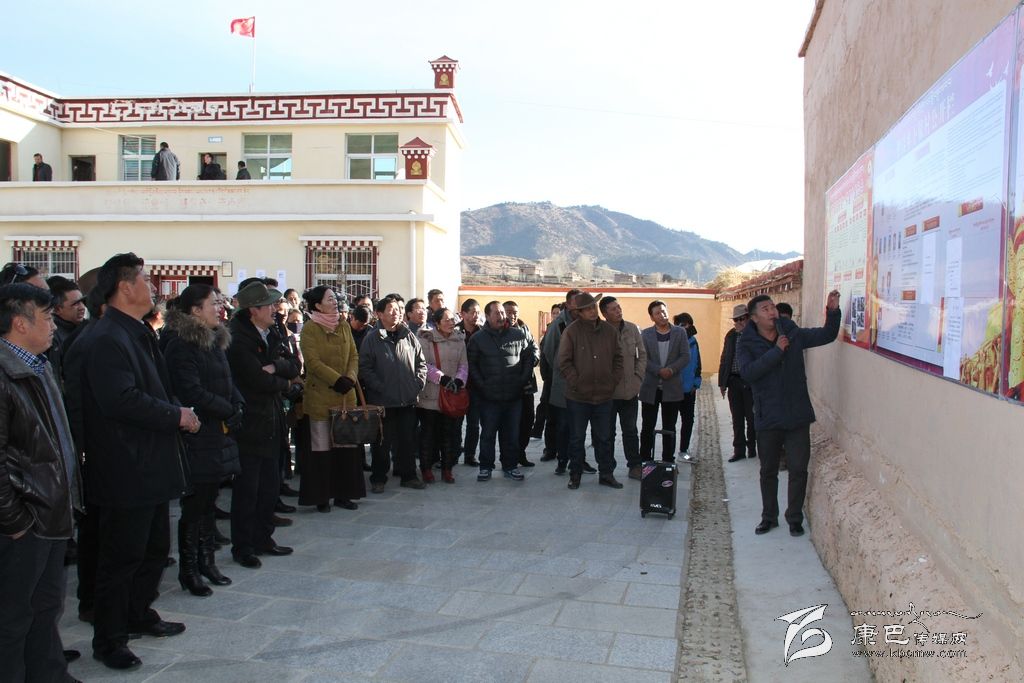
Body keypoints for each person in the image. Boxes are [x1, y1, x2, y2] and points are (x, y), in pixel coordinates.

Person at [82, 253, 194, 670]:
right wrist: (175, 415)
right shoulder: (106, 337)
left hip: (151, 462)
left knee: (153, 548)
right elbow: (121, 400)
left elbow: (156, 388)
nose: (153, 287)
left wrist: (176, 408)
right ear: (125, 287)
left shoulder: (136, 331)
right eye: (146, 279)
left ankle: (138, 612)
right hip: (125, 466)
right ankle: (110, 639)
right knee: (121, 557)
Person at [0, 283, 82, 682]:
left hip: (51, 510)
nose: (53, 325)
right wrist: (15, 520)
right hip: (26, 518)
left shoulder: (38, 365)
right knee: (13, 617)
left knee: (46, 605)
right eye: (47, 317)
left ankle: (49, 674)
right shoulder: (5, 373)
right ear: (20, 323)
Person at [738, 291, 841, 537]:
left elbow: (827, 335)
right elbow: (748, 373)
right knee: (768, 471)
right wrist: (776, 351)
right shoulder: (746, 342)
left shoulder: (792, 333)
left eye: (772, 307)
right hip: (768, 416)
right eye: (765, 309)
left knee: (798, 469)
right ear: (754, 318)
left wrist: (833, 311)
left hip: (797, 415)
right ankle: (769, 517)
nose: (772, 311)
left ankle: (794, 517)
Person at [161, 285, 242, 596]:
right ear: (195, 310)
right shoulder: (181, 345)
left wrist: (237, 403)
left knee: (209, 501)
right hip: (197, 434)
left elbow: (227, 380)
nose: (220, 308)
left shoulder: (215, 339)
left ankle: (207, 562)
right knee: (195, 505)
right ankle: (189, 569)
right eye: (213, 303)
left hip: (216, 432)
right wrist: (225, 409)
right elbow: (190, 390)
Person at [226, 281, 302, 567]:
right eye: (269, 305)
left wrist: (277, 369)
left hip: (272, 418)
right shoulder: (237, 339)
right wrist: (285, 383)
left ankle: (263, 537)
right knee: (248, 489)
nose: (275, 309)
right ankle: (243, 546)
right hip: (250, 421)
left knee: (269, 485)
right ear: (253, 310)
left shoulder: (273, 331)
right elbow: (256, 379)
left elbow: (294, 365)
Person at [297, 286, 365, 512]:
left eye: (335, 298)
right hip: (320, 397)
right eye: (329, 299)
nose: (335, 301)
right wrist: (336, 380)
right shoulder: (310, 328)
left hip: (346, 396)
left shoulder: (343, 324)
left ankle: (344, 495)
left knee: (346, 449)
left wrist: (350, 378)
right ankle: (322, 497)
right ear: (317, 305)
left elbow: (354, 355)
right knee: (321, 450)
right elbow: (312, 362)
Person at [359, 295, 427, 492]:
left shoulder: (408, 335)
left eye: (397, 309)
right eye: (390, 309)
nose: (395, 312)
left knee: (407, 440)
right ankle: (378, 478)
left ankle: (409, 476)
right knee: (381, 442)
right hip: (383, 401)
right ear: (379, 314)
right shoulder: (372, 338)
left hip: (407, 399)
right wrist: (380, 387)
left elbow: (421, 363)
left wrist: (417, 384)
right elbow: (365, 368)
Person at [557, 292, 623, 490]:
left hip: (604, 395)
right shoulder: (571, 332)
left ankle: (606, 474)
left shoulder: (609, 331)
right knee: (577, 438)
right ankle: (575, 475)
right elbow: (564, 361)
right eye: (587, 309)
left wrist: (613, 381)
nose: (592, 311)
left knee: (604, 437)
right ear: (579, 312)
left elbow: (619, 358)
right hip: (578, 397)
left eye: (593, 307)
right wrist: (576, 381)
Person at [467, 300, 537, 483]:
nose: (501, 316)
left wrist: (522, 379)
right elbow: (472, 365)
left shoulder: (518, 334)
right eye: (497, 313)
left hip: (514, 396)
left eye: (502, 313)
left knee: (511, 434)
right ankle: (485, 466)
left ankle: (510, 466)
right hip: (488, 397)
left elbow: (528, 358)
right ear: (487, 316)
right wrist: (482, 385)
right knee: (488, 434)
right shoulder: (478, 339)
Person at [417, 307, 468, 483]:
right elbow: (423, 364)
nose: (450, 323)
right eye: (446, 320)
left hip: (451, 394)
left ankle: (447, 469)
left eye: (452, 319)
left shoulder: (459, 339)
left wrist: (459, 381)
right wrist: (442, 378)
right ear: (437, 323)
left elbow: (463, 365)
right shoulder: (426, 338)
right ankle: (426, 468)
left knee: (449, 435)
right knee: (428, 435)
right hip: (430, 395)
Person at [599, 296, 647, 479]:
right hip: (608, 393)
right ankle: (607, 468)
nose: (618, 311)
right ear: (604, 314)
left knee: (631, 431)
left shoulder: (632, 329)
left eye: (618, 307)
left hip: (629, 391)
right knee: (607, 433)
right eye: (613, 309)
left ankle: (634, 465)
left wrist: (638, 377)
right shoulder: (600, 331)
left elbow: (642, 355)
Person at [638, 300, 690, 462]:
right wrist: (658, 370)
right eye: (657, 313)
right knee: (648, 425)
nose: (662, 315)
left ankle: (668, 460)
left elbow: (685, 356)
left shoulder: (680, 333)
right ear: (652, 317)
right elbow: (643, 358)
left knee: (670, 426)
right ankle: (645, 459)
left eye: (663, 311)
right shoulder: (645, 334)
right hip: (650, 387)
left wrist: (671, 370)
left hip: (672, 387)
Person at [718, 304, 756, 462]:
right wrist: (722, 382)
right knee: (737, 418)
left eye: (742, 319)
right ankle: (739, 450)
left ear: (748, 318)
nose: (739, 322)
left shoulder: (755, 335)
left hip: (749, 382)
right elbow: (725, 358)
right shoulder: (731, 335)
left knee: (751, 418)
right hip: (733, 380)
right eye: (736, 320)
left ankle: (752, 448)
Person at [504, 300, 536, 468]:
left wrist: (533, 359)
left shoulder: (524, 328)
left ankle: (520, 452)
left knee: (528, 419)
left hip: (527, 384)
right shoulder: (499, 331)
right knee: (510, 422)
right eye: (508, 312)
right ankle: (508, 456)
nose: (512, 315)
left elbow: (534, 348)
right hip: (508, 385)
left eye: (515, 312)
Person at [455, 298, 482, 466]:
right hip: (458, 385)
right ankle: (454, 452)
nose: (475, 316)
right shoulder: (454, 332)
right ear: (463, 314)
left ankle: (470, 455)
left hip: (476, 386)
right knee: (456, 423)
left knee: (474, 424)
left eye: (478, 313)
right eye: (472, 312)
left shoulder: (483, 332)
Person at [673, 312, 702, 460]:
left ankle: (683, 450)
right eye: (678, 324)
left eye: (684, 324)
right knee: (670, 422)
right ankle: (668, 454)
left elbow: (698, 364)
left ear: (690, 325)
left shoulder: (693, 342)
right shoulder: (672, 340)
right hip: (673, 389)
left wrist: (696, 383)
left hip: (689, 389)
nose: (681, 327)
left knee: (688, 420)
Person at [47, 275, 87, 350]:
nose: (82, 307)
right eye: (76, 304)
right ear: (57, 309)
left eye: (82, 301)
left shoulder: (87, 327)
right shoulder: (52, 336)